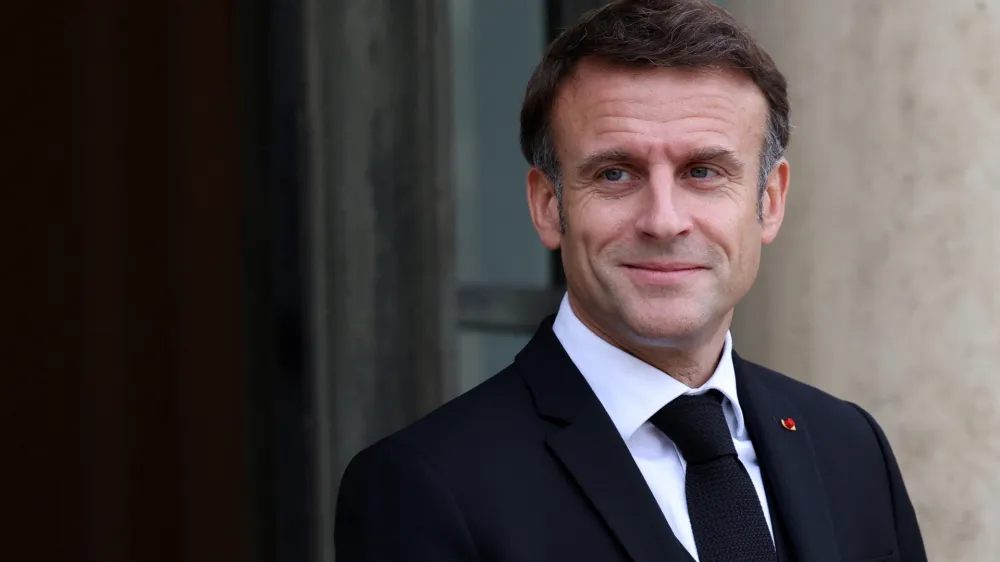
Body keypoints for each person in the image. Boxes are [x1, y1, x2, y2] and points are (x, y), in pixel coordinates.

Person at [334, 1, 927, 560]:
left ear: (769, 202)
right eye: (615, 174)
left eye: (703, 171)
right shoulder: (425, 486)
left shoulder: (850, 448)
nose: (664, 221)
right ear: (548, 206)